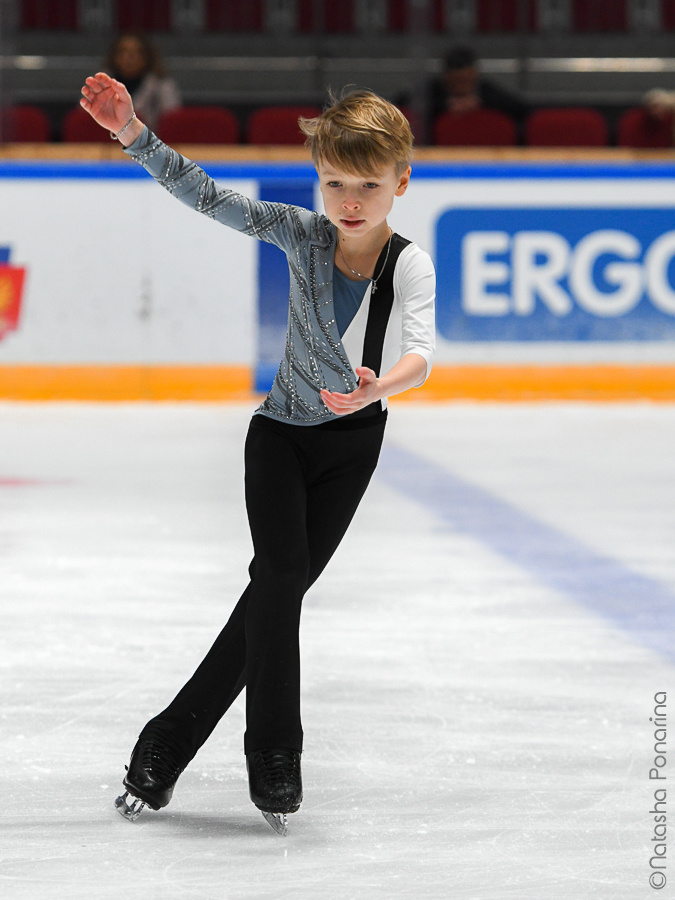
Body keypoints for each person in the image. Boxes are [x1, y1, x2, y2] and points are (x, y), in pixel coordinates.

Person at [79, 72, 436, 835]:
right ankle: (275, 756)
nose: (348, 200)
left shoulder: (407, 264)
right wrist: (133, 135)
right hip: (277, 439)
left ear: (400, 182)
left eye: (367, 184)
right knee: (278, 580)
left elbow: (420, 355)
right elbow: (208, 196)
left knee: (272, 599)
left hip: (350, 450)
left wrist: (380, 390)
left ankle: (165, 742)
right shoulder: (300, 234)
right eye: (334, 181)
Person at [428, 44, 527, 125]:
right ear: (445, 78)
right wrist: (445, 104)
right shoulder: (432, 93)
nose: (461, 87)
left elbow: (520, 108)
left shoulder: (487, 91)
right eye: (456, 82)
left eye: (466, 81)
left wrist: (480, 102)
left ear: (475, 76)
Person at [104, 33, 181, 133]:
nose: (129, 58)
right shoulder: (100, 84)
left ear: (147, 57)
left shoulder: (162, 85)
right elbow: (84, 121)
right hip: (102, 146)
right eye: (123, 51)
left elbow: (173, 124)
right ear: (114, 56)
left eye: (136, 52)